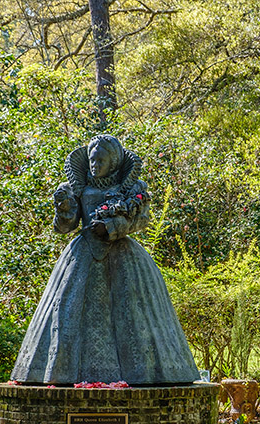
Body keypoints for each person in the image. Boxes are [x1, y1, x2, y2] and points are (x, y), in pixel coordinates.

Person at [11, 135, 199, 386]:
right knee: (67, 311)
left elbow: (141, 220)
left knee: (133, 314)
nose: (95, 165)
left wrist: (112, 227)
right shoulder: (77, 187)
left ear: (113, 163)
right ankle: (63, 373)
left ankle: (144, 374)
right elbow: (64, 227)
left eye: (101, 160)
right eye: (92, 159)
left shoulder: (132, 190)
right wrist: (65, 208)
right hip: (83, 256)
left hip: (124, 258)